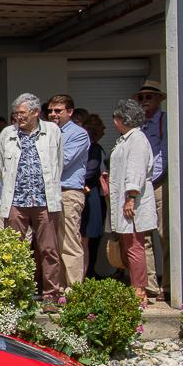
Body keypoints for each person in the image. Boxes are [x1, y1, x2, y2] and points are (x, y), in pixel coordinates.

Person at [0, 93, 64, 303]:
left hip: (44, 201)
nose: (19, 117)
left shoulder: (52, 132)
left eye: (23, 113)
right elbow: (1, 167)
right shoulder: (7, 134)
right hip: (16, 201)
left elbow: (58, 163)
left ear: (36, 113)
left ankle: (51, 296)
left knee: (49, 250)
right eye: (16, 114)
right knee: (13, 250)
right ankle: (15, 296)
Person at [106, 98, 157, 302]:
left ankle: (139, 291)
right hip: (125, 199)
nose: (114, 120)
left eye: (116, 116)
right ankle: (135, 287)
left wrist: (131, 198)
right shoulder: (126, 139)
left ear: (123, 118)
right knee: (129, 245)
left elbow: (135, 170)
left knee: (135, 245)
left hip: (133, 201)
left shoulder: (137, 139)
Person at [46, 94, 91, 286]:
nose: (53, 114)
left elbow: (61, 162)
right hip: (50, 193)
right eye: (50, 111)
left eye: (58, 110)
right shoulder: (47, 132)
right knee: (53, 243)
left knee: (69, 242)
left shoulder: (78, 133)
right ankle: (59, 289)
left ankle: (74, 290)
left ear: (70, 112)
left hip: (68, 192)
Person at [136, 80, 169, 301]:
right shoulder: (138, 124)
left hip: (159, 182)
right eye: (141, 97)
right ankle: (150, 286)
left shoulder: (164, 121)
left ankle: (168, 283)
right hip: (141, 185)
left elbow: (164, 154)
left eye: (149, 97)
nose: (145, 100)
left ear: (159, 99)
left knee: (164, 234)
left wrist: (152, 179)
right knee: (143, 236)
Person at [81, 114, 108, 278]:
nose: (104, 128)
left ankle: (91, 271)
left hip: (95, 195)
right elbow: (91, 171)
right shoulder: (93, 148)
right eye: (100, 125)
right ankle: (89, 273)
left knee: (91, 236)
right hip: (91, 196)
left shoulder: (96, 147)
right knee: (89, 236)